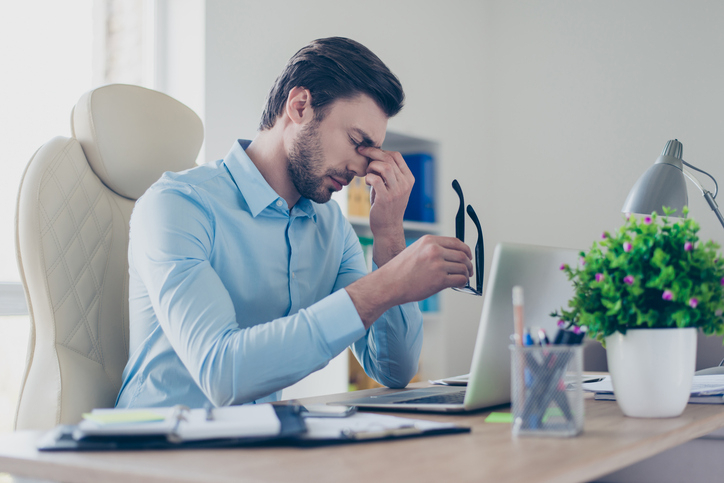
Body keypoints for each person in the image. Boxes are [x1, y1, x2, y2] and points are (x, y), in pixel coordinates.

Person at [116, 37, 473, 409]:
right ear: (300, 106)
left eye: (373, 152)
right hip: (154, 451)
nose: (362, 168)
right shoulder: (178, 204)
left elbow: (393, 369)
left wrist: (389, 237)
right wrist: (389, 283)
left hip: (257, 449)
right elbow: (222, 374)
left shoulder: (331, 228)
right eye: (356, 141)